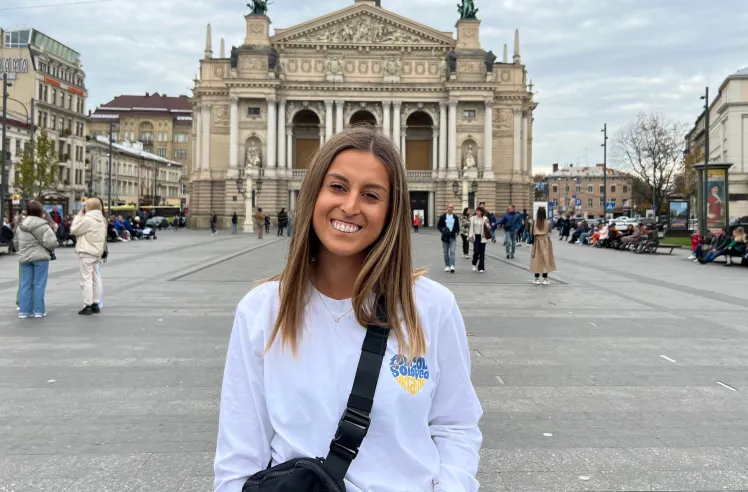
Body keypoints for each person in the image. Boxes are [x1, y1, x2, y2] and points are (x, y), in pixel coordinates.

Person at [214, 126, 482, 492]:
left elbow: (456, 425)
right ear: (313, 194)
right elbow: (238, 459)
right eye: (337, 187)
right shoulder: (262, 311)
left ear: (390, 211)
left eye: (371, 195)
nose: (350, 206)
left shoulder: (432, 307)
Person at [14, 201, 58, 319]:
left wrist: (21, 250)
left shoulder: (21, 225)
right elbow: (52, 243)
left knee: (25, 284)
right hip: (40, 258)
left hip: (25, 258)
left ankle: (24, 311)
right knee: (39, 284)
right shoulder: (44, 226)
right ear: (40, 211)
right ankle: (39, 311)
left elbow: (16, 242)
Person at [70, 197, 107, 315]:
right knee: (96, 278)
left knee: (86, 279)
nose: (84, 207)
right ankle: (96, 303)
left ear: (89, 207)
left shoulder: (88, 219)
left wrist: (77, 218)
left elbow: (74, 230)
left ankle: (88, 304)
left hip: (86, 251)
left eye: (86, 206)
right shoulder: (102, 219)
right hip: (97, 251)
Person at [530, 206, 556, 285]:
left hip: (537, 241)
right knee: (546, 259)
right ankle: (545, 278)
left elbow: (531, 232)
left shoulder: (534, 222)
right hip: (545, 241)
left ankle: (536, 278)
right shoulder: (548, 222)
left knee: (537, 260)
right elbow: (550, 230)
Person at [437, 204, 460, 273]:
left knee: (452, 252)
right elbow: (439, 226)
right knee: (445, 252)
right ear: (447, 208)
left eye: (452, 207)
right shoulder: (443, 217)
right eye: (449, 207)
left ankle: (452, 265)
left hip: (452, 236)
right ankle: (447, 265)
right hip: (445, 237)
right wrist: (442, 231)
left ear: (453, 209)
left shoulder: (455, 217)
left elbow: (457, 227)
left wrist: (457, 232)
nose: (450, 208)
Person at [469, 206, 490, 273]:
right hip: (476, 236)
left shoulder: (485, 218)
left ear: (482, 212)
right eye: (477, 211)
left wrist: (487, 225)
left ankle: (481, 267)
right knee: (476, 251)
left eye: (479, 211)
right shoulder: (472, 218)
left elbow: (489, 227)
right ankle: (474, 263)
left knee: (482, 252)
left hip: (482, 237)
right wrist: (470, 236)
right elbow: (470, 228)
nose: (477, 212)